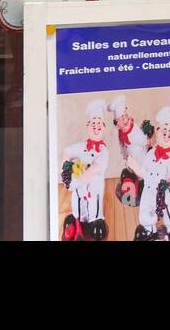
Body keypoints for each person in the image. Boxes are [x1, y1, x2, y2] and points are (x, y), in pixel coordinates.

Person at [59, 98, 110, 241]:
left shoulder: (103, 150)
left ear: (104, 127)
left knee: (94, 206)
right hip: (79, 188)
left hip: (94, 187)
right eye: (93, 123)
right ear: (88, 127)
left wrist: (82, 177)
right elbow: (67, 152)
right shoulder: (81, 146)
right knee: (78, 204)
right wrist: (66, 170)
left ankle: (95, 221)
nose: (96, 126)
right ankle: (77, 221)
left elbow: (98, 166)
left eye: (99, 123)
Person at [129, 105, 170, 241]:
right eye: (164, 130)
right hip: (148, 190)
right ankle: (148, 229)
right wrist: (134, 166)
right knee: (145, 211)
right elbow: (143, 172)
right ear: (157, 132)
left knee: (168, 212)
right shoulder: (150, 153)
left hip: (163, 192)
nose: (167, 134)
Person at [109, 95, 146, 207]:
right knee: (126, 175)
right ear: (117, 125)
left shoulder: (135, 132)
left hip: (141, 162)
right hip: (131, 163)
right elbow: (123, 147)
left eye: (125, 116)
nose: (125, 119)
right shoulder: (121, 134)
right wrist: (126, 158)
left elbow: (144, 141)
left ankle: (143, 194)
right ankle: (129, 198)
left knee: (142, 179)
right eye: (121, 118)